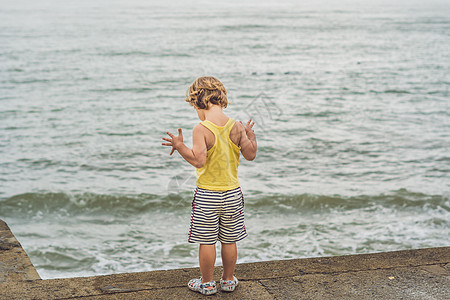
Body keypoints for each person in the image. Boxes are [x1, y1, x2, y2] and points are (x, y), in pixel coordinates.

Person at [162, 76, 257, 295]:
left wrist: (179, 146)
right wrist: (251, 136)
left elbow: (198, 160)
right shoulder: (237, 126)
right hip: (233, 193)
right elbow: (250, 154)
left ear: (198, 103)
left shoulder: (201, 128)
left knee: (206, 241)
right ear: (221, 99)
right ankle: (228, 280)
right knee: (229, 239)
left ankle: (206, 283)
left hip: (207, 195)